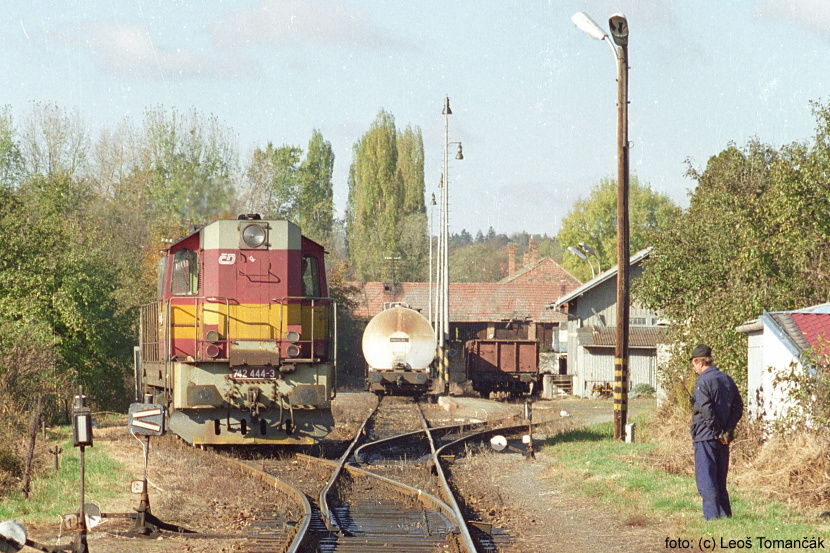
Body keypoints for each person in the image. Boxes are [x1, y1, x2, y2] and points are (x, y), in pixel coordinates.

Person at [689, 344, 743, 520]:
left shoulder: (703, 381)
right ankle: (725, 515)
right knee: (720, 478)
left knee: (707, 478)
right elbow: (738, 406)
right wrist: (727, 431)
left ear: (699, 362)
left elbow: (705, 409)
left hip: (706, 436)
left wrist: (717, 431)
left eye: (694, 364)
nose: (694, 368)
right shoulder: (726, 379)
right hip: (723, 439)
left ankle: (712, 518)